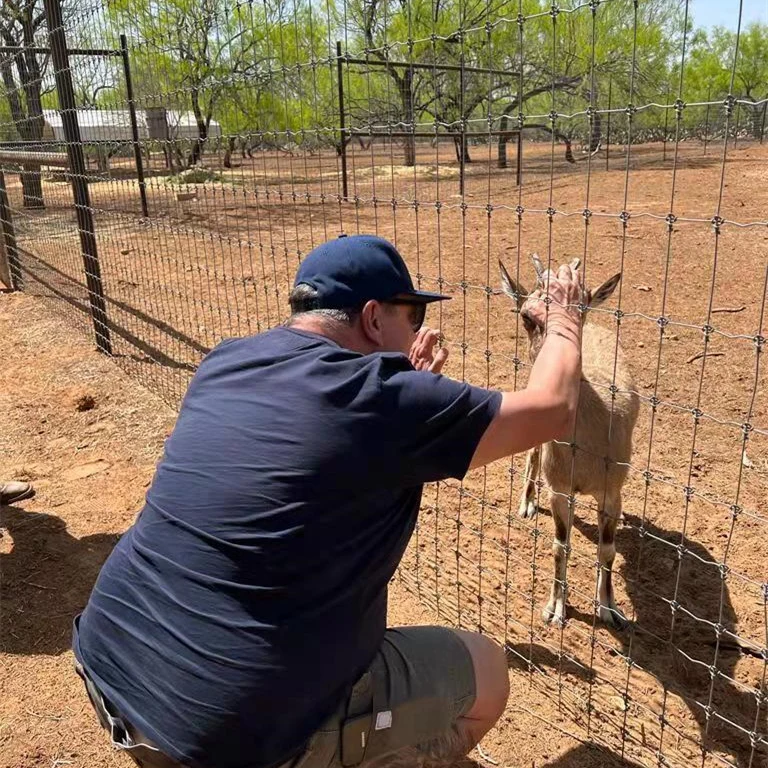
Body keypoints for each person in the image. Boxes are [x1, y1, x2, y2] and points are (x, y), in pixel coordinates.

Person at [72, 234, 584, 768]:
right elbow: (551, 409)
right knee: (486, 672)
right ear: (372, 317)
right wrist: (564, 318)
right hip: (222, 738)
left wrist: (405, 388)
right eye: (410, 316)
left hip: (112, 670)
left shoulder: (227, 360)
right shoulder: (385, 398)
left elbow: (326, 448)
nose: (416, 331)